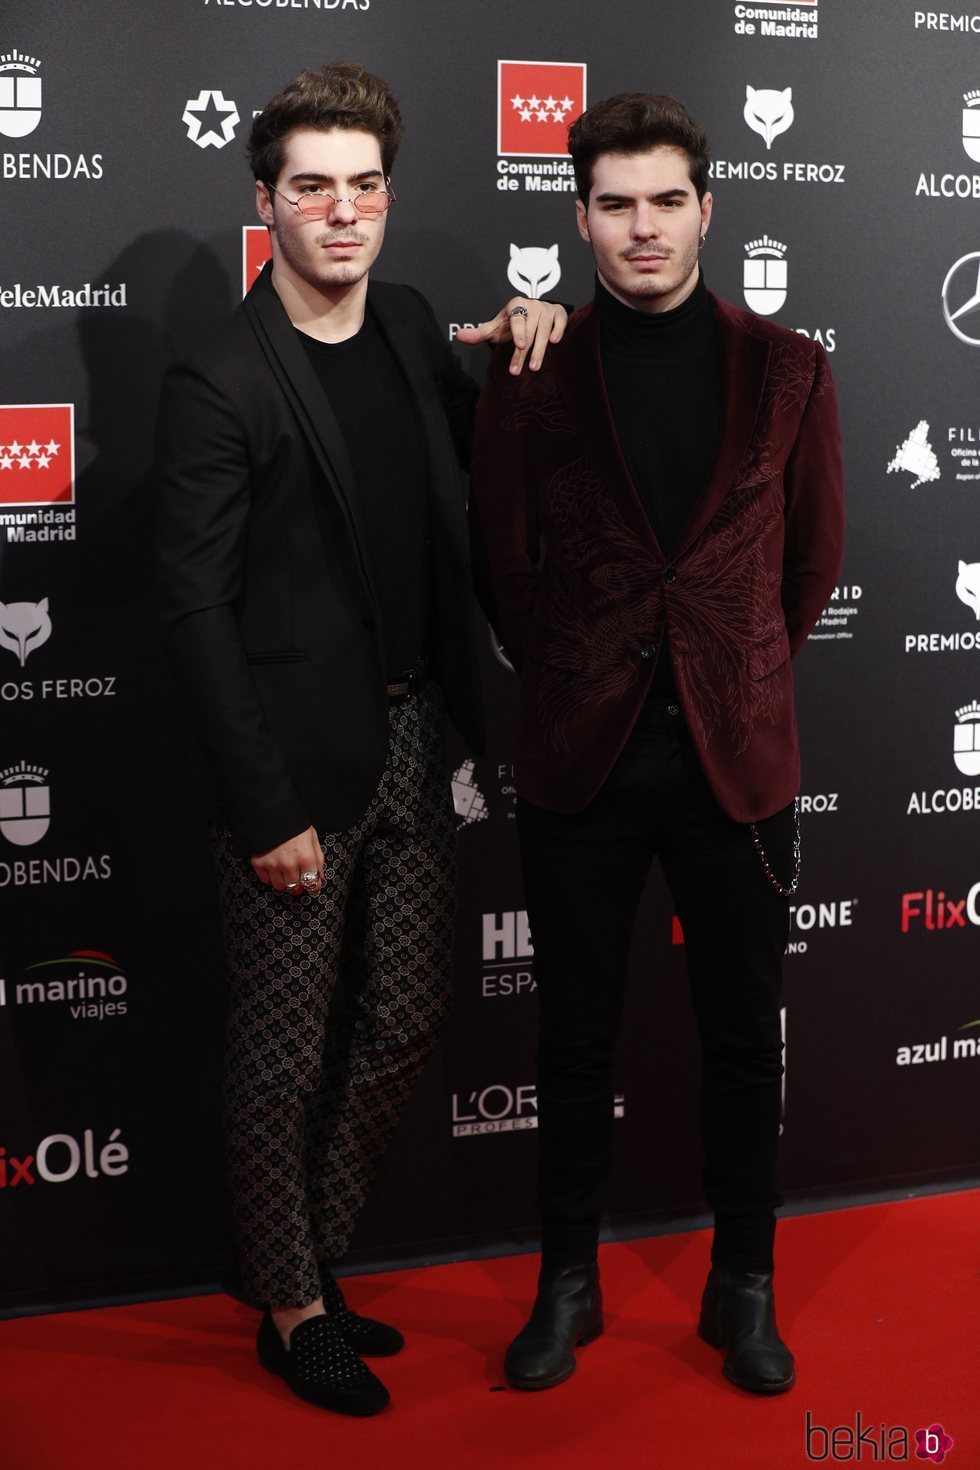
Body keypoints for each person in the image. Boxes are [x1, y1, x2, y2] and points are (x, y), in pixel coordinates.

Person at [156, 60, 565, 1417]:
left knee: (402, 1016)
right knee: (281, 1054)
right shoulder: (220, 379)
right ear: (265, 200)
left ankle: (307, 1265)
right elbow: (197, 611)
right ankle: (292, 1306)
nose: (345, 211)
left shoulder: (399, 324)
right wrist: (264, 806)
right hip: (290, 770)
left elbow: (473, 443)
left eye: (367, 185)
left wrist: (522, 330)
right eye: (314, 187)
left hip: (413, 740)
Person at [470, 92, 844, 1395]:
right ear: (580, 216)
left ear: (706, 208)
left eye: (665, 201)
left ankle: (746, 1280)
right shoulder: (532, 369)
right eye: (615, 204)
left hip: (736, 759)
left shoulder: (792, 367)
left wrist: (726, 669)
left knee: (746, 1035)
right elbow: (502, 567)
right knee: (571, 1035)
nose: (642, 227)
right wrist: (586, 663)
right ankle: (564, 1280)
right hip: (581, 755)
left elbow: (810, 564)